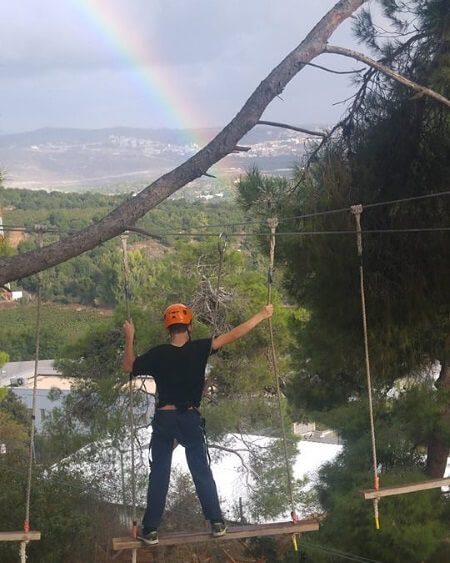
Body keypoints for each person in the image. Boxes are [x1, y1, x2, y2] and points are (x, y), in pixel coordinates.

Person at [123, 302, 274, 545]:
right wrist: (262, 315)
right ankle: (217, 522)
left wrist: (130, 338)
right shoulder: (201, 348)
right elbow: (235, 334)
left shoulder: (158, 353)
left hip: (165, 418)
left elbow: (128, 366)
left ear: (167, 329)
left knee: (159, 474)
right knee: (201, 471)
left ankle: (150, 529)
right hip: (190, 419)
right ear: (190, 326)